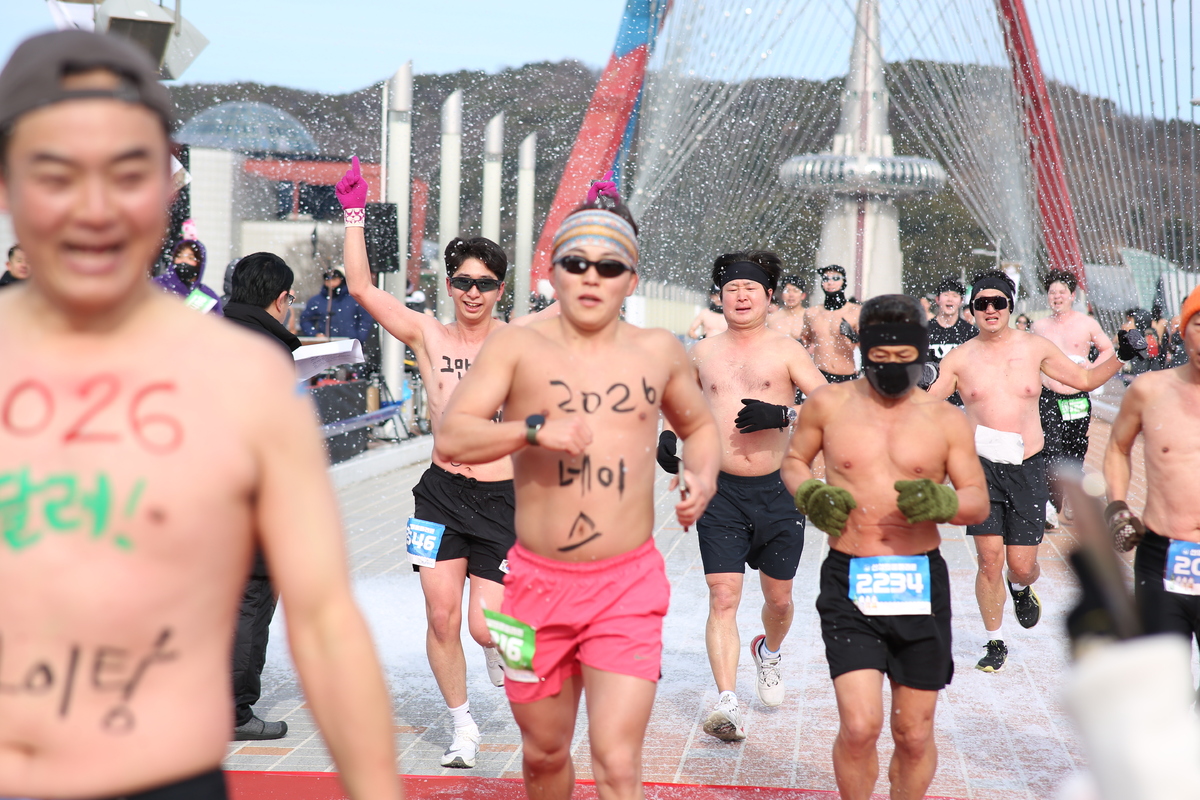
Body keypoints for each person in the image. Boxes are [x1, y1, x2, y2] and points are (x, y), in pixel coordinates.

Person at [0, 30, 400, 800]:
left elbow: (322, 619)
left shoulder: (242, 380)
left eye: (127, 171)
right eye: (57, 170)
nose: (94, 206)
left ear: (164, 189)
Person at [436, 188, 721, 800]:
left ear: (631, 278)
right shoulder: (517, 346)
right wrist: (532, 428)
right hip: (531, 590)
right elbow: (454, 433)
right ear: (553, 272)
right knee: (543, 755)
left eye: (610, 266)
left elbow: (698, 426)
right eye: (576, 264)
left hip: (627, 586)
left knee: (617, 761)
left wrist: (702, 472)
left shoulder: (659, 351)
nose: (592, 278)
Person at [336, 157, 512, 769]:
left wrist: (606, 222)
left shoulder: (519, 341)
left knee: (487, 629)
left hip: (503, 501)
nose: (471, 292)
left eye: (484, 283)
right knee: (442, 615)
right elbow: (361, 288)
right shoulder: (427, 334)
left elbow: (593, 292)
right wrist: (354, 213)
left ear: (500, 290)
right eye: (462, 280)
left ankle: (504, 648)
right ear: (449, 285)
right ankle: (464, 727)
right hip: (440, 494)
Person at [781, 294, 988, 800]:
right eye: (881, 357)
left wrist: (942, 501)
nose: (892, 368)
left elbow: (976, 501)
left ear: (920, 354)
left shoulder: (945, 420)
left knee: (913, 733)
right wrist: (809, 491)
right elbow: (792, 462)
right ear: (864, 350)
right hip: (849, 577)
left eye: (903, 358)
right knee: (859, 726)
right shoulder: (828, 406)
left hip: (918, 578)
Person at [928, 270, 1135, 673]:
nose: (990, 309)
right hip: (980, 468)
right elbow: (925, 406)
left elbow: (1086, 379)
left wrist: (1122, 355)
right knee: (989, 559)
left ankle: (1021, 588)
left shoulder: (1035, 347)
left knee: (1020, 564)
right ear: (972, 310)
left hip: (1027, 466)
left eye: (998, 302)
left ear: (1010, 306)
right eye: (982, 303)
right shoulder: (959, 357)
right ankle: (995, 641)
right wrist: (909, 385)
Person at [672, 250, 826, 742]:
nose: (740, 297)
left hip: (779, 490)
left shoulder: (787, 350)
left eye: (751, 289)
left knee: (778, 601)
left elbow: (832, 405)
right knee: (723, 595)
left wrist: (783, 416)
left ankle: (770, 652)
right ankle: (726, 702)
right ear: (720, 297)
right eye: (732, 289)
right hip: (720, 492)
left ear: (768, 296)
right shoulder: (701, 352)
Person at [220, 253, 302, 740]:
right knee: (250, 602)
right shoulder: (268, 350)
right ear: (278, 298)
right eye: (289, 297)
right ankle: (234, 712)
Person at [1104, 284, 1200, 652]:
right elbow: (1116, 447)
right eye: (1198, 324)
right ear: (1182, 330)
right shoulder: (1150, 391)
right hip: (1162, 557)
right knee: (1164, 687)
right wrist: (1116, 507)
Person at [1031, 270, 1115, 526]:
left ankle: (1070, 497)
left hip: (1077, 395)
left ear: (1072, 295)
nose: (1056, 297)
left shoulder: (1086, 323)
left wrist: (1091, 369)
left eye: (1061, 292)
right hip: (1048, 397)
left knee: (1075, 450)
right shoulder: (1039, 326)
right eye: (1052, 293)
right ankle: (1047, 504)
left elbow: (1108, 349)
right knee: (1050, 450)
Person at [801, 264, 861, 383]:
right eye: (826, 279)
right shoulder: (812, 313)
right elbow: (805, 341)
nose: (830, 282)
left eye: (836, 278)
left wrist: (853, 336)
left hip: (846, 376)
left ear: (844, 282)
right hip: (819, 376)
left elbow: (869, 345)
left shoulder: (856, 311)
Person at [926, 276, 977, 407]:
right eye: (946, 295)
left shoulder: (970, 332)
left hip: (962, 403)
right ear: (937, 299)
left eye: (955, 295)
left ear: (961, 301)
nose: (950, 299)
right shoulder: (923, 330)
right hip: (930, 400)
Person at [300, 268, 374, 344]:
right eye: (328, 280)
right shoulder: (316, 301)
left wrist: (359, 339)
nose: (331, 283)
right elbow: (305, 320)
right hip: (326, 345)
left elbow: (365, 320)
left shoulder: (354, 299)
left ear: (341, 280)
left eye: (334, 280)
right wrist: (315, 334)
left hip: (350, 344)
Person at [154, 237, 223, 316]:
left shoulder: (208, 296)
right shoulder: (157, 285)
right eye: (179, 256)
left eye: (190, 258)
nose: (183, 261)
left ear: (200, 263)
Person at [766, 274, 808, 341]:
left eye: (795, 291)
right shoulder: (771, 318)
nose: (791, 295)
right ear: (782, 295)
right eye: (787, 291)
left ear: (803, 295)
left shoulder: (809, 317)